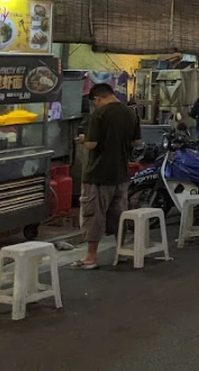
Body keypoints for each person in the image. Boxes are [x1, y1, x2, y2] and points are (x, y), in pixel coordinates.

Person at [72, 84, 142, 269]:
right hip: (121, 174)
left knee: (93, 215)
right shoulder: (130, 113)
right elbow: (137, 141)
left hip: (98, 174)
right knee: (119, 215)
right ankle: (122, 252)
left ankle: (90, 257)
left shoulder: (99, 114)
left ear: (97, 99)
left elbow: (91, 144)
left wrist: (82, 139)